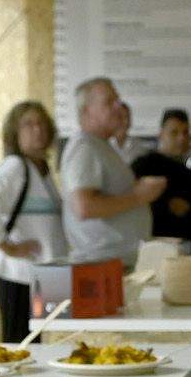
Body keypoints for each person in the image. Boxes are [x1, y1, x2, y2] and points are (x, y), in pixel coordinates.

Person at [0, 101, 70, 340]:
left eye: (41, 124)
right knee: (19, 343)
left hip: (43, 273)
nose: (37, 130)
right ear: (15, 133)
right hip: (18, 273)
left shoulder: (43, 169)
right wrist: (8, 246)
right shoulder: (15, 167)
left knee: (38, 341)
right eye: (28, 124)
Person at [57, 77, 163, 264]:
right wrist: (139, 196)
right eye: (109, 102)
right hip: (101, 263)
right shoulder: (84, 147)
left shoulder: (101, 146)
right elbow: (84, 207)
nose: (118, 107)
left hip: (114, 262)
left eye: (118, 100)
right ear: (87, 111)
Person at [135, 107, 191, 243]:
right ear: (161, 134)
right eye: (174, 133)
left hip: (185, 249)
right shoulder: (142, 166)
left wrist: (188, 211)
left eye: (186, 133)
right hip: (149, 246)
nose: (181, 138)